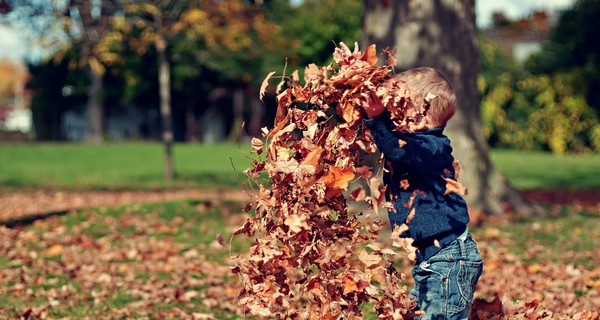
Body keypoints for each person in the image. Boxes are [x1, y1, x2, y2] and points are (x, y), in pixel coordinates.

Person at [361, 67, 483, 319]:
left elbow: (399, 151)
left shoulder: (431, 147)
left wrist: (377, 119)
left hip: (448, 261)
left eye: (398, 110)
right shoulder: (420, 146)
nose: (393, 117)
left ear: (420, 117)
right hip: (433, 260)